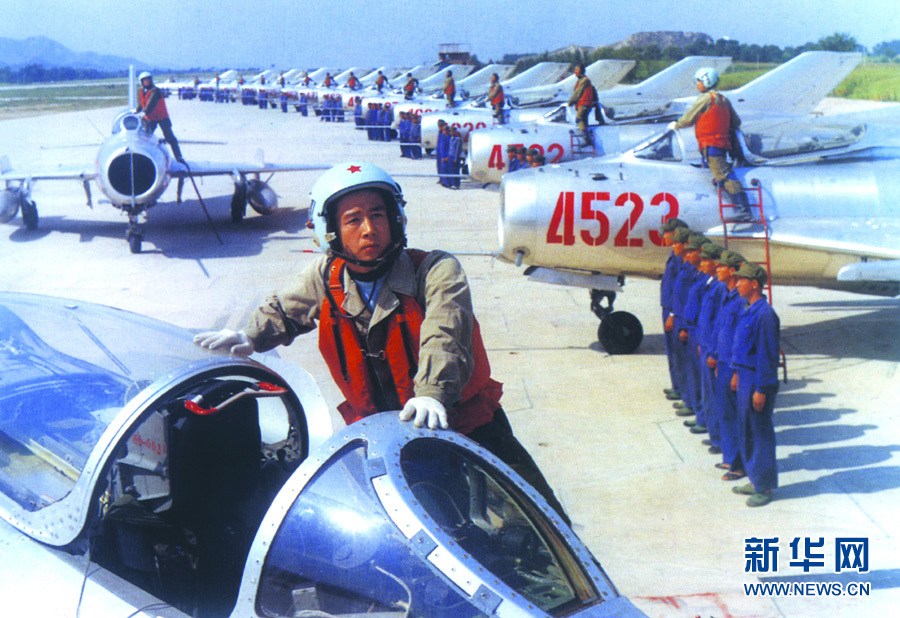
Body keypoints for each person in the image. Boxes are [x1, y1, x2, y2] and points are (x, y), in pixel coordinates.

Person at [194, 162, 569, 522]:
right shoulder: (326, 277)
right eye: (353, 220)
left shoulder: (435, 270)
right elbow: (284, 309)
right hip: (388, 439)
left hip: (465, 426)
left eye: (377, 215)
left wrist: (432, 393)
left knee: (540, 522)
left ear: (395, 218)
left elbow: (446, 335)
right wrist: (249, 335)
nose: (369, 229)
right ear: (330, 230)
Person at [730, 262, 780, 507]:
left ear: (755, 284)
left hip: (758, 379)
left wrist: (761, 389)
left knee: (760, 434)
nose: (737, 283)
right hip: (746, 375)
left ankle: (765, 486)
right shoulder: (748, 310)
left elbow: (767, 356)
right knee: (747, 430)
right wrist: (737, 373)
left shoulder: (765, 314)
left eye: (742, 280)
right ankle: (755, 477)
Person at [671, 67, 752, 221]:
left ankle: (743, 209)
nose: (697, 84)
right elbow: (736, 122)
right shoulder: (723, 100)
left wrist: (676, 125)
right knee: (715, 174)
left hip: (710, 144)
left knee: (724, 175)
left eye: (699, 81)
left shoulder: (705, 99)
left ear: (707, 81)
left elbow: (688, 119)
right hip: (721, 144)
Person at [707, 250, 747, 481]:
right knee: (725, 413)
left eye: (721, 266)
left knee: (735, 415)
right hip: (722, 361)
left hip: (732, 364)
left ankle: (739, 465)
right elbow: (720, 329)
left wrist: (736, 372)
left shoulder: (740, 301)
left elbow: (741, 339)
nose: (717, 268)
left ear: (732, 271)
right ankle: (730, 457)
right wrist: (714, 354)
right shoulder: (727, 295)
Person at [659, 218, 689, 405]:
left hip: (675, 311)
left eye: (667, 232)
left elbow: (681, 290)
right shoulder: (674, 254)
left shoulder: (680, 258)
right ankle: (677, 386)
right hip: (669, 308)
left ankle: (686, 394)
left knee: (681, 354)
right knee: (673, 352)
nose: (664, 235)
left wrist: (672, 313)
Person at [135, 71, 184, 162]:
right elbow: (141, 103)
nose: (147, 81)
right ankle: (144, 157)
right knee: (146, 137)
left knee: (170, 138)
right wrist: (136, 111)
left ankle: (179, 157)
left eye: (148, 79)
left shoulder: (155, 91)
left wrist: (144, 113)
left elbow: (150, 104)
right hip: (151, 118)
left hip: (162, 117)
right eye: (145, 80)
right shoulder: (141, 91)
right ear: (141, 82)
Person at [567, 64, 596, 145]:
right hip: (584, 104)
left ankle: (587, 139)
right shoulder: (581, 80)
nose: (575, 71)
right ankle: (587, 139)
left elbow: (577, 92)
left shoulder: (584, 80)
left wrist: (570, 102)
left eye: (577, 70)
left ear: (581, 71)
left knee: (578, 119)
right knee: (584, 122)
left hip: (584, 104)